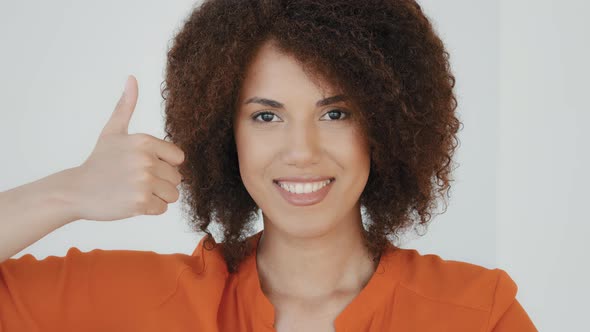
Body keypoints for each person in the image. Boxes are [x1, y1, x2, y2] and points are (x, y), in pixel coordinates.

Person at [0, 0, 538, 331]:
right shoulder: (153, 302)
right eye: (265, 116)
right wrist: (68, 192)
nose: (302, 150)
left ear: (384, 125)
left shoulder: (476, 314)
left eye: (335, 111)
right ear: (223, 134)